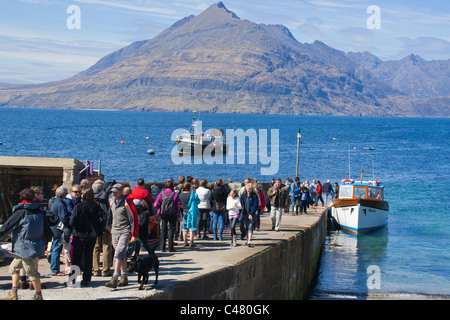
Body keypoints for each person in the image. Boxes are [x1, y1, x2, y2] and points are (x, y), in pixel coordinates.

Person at [0, 188, 52, 300]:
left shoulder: (20, 211)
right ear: (33, 197)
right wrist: (47, 241)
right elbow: (46, 228)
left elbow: (7, 226)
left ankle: (38, 295)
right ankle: (13, 294)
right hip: (34, 244)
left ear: (22, 198)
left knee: (32, 272)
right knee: (14, 268)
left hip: (25, 246)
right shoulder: (39, 210)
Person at [105, 183, 139, 288]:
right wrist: (110, 228)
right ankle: (124, 277)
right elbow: (109, 215)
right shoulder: (111, 201)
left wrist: (134, 234)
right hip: (114, 231)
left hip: (125, 231)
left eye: (116, 192)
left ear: (121, 192)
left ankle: (114, 278)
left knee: (118, 253)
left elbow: (133, 219)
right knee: (122, 255)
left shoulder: (127, 202)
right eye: (113, 192)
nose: (114, 194)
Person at [69, 188, 102, 286]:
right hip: (92, 235)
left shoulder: (79, 206)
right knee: (88, 257)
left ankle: (73, 279)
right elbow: (103, 217)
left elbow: (72, 221)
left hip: (79, 234)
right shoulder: (95, 207)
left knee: (76, 257)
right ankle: (87, 279)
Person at [92, 179, 113, 277]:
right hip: (105, 225)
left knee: (95, 248)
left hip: (94, 225)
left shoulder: (90, 197)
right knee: (106, 247)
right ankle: (105, 270)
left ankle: (95, 270)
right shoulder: (107, 196)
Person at [153, 179, 182, 252]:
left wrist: (160, 208)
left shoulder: (161, 194)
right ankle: (170, 247)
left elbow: (155, 204)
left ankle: (162, 247)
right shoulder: (174, 194)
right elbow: (178, 205)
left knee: (163, 230)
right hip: (173, 214)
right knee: (171, 230)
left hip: (163, 214)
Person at [50, 185, 70, 276]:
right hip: (58, 229)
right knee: (57, 249)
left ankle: (54, 268)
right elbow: (63, 218)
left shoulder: (55, 202)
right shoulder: (61, 204)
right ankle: (55, 270)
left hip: (54, 228)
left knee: (55, 248)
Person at [185, 182, 200, 247]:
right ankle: (191, 241)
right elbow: (198, 201)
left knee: (185, 227)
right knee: (192, 226)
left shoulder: (185, 195)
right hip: (192, 211)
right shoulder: (195, 195)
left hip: (186, 211)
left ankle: (185, 241)